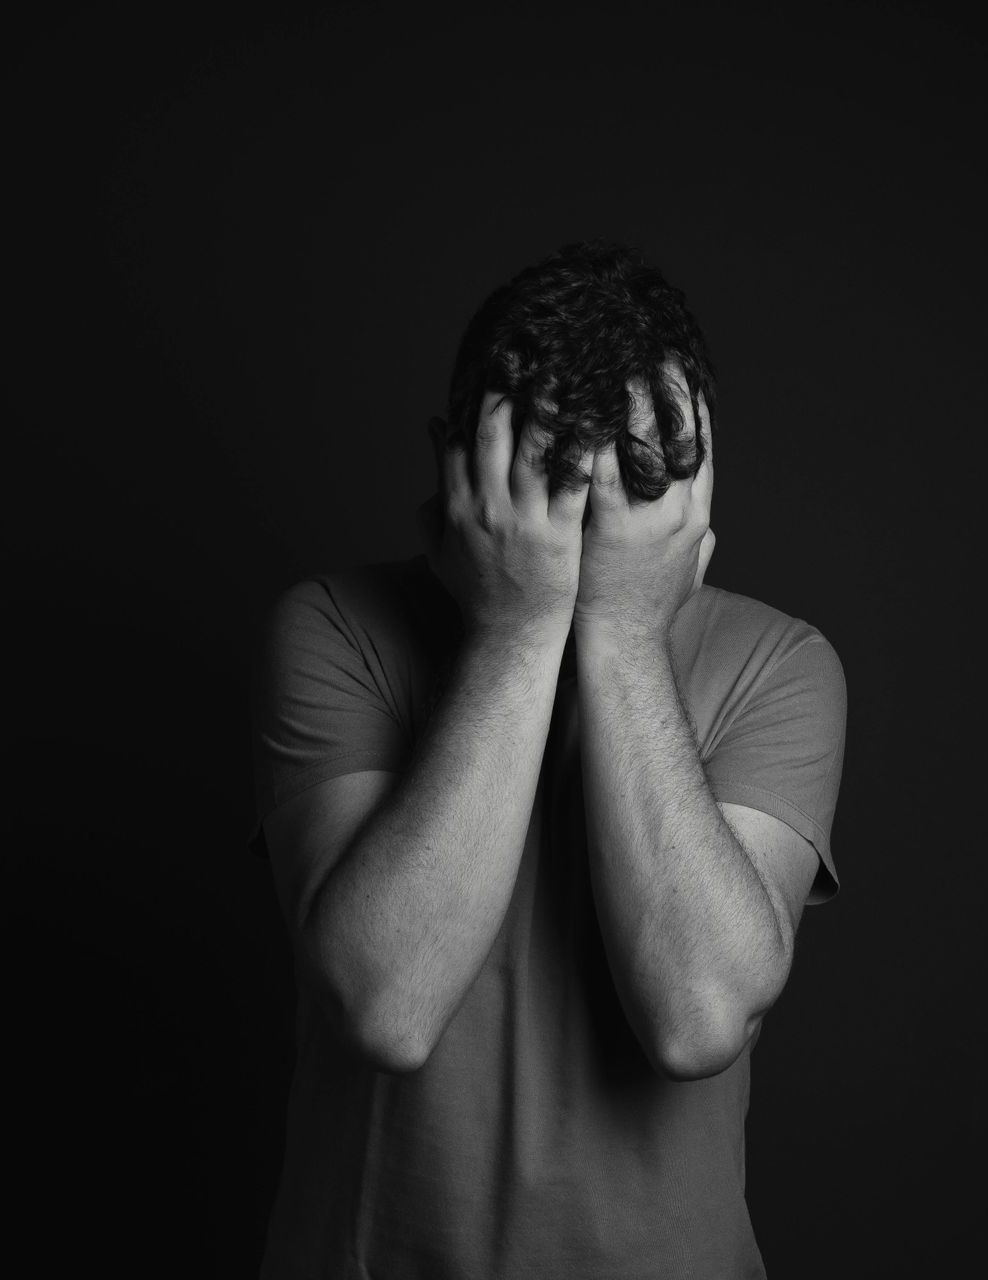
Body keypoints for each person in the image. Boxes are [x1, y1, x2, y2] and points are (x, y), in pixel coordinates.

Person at [250, 239, 849, 1278]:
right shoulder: (332, 629)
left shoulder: (782, 664)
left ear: (694, 492)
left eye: (625, 490)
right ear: (455, 470)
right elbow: (386, 1002)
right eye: (550, 483)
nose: (578, 532)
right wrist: (519, 627)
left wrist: (621, 631)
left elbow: (700, 1011)